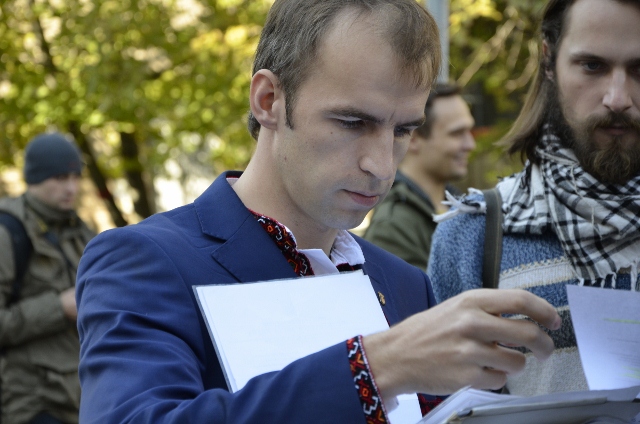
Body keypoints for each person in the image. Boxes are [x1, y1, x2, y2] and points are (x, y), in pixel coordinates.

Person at [76, 1, 562, 423]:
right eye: (352, 122)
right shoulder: (145, 261)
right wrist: (376, 368)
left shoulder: (405, 285)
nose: (382, 165)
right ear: (268, 101)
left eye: (403, 130)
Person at [429, 0, 640, 397]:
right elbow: (450, 410)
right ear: (549, 61)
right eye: (592, 66)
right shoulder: (475, 237)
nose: (617, 98)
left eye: (639, 70)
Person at [0, 133, 95, 424]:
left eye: (76, 177)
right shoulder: (8, 232)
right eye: (60, 177)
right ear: (35, 178)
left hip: (82, 397)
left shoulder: (80, 230)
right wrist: (58, 307)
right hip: (30, 402)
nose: (71, 188)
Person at [363, 84, 475, 269]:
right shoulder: (394, 227)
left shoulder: (461, 206)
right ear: (413, 138)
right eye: (456, 133)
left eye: (469, 131)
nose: (470, 144)